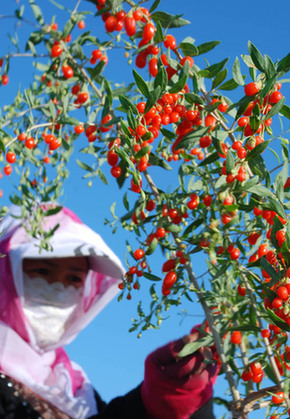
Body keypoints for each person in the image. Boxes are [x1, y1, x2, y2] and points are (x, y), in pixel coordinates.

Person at [0, 203, 220, 418]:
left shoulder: (74, 390)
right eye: (42, 270)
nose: (59, 287)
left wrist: (166, 396)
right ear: (6, 273)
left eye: (74, 278)